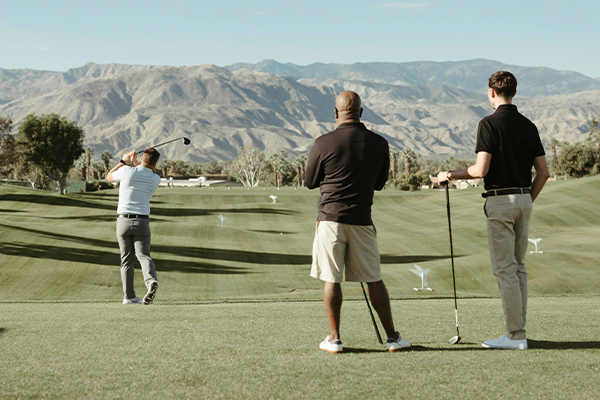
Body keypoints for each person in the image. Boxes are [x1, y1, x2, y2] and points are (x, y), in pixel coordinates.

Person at [438, 71, 550, 349]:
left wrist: (448, 175)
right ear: (514, 92)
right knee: (518, 268)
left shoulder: (488, 124)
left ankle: (516, 335)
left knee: (505, 270)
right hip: (524, 200)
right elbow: (544, 173)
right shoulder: (529, 126)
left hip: (500, 201)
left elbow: (480, 170)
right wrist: (526, 199)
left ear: (491, 92)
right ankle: (518, 330)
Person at [305, 90, 411, 353]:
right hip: (362, 220)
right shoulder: (380, 143)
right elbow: (379, 183)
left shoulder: (323, 143)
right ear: (361, 112)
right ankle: (393, 338)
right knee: (374, 278)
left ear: (335, 113)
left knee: (331, 278)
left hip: (330, 220)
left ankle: (334, 339)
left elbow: (309, 182)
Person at [107, 148, 162, 305]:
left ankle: (129, 297)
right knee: (143, 255)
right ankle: (150, 281)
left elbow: (109, 177)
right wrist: (135, 163)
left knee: (126, 260)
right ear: (155, 163)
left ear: (142, 158)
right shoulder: (156, 179)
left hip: (123, 222)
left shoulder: (126, 171)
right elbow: (143, 173)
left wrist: (124, 161)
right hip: (142, 222)